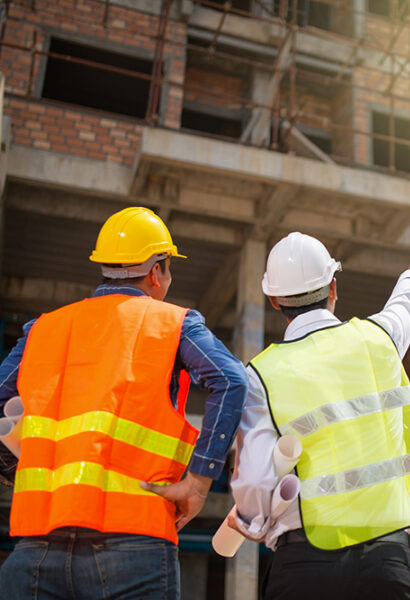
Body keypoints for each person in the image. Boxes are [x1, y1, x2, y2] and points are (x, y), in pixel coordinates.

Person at [0, 206, 248, 600]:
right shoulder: (174, 323)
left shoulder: (43, 329)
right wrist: (198, 484)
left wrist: (12, 465)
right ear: (156, 271)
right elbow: (232, 380)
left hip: (36, 547)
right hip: (134, 545)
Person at [228, 232, 410, 600]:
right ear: (333, 287)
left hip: (305, 567)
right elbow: (404, 305)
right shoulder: (379, 339)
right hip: (386, 563)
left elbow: (254, 481)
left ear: (273, 299)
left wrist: (250, 519)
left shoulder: (260, 376)